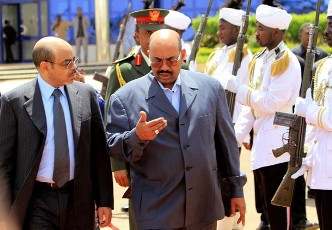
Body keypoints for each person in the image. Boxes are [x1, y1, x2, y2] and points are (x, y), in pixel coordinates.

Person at [106, 28, 246, 230]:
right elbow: (113, 147)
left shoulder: (210, 88)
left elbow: (226, 145)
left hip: (202, 205)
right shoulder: (125, 97)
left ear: (182, 56)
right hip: (156, 210)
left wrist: (236, 190)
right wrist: (136, 137)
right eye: (156, 61)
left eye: (171, 60)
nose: (164, 67)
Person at [0, 36, 113, 230]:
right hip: (36, 201)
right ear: (45, 66)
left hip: (79, 197)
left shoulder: (86, 94)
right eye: (67, 63)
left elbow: (99, 153)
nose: (74, 68)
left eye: (74, 60)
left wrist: (105, 201)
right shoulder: (14, 102)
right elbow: (3, 164)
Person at [226, 1, 302, 229]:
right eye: (257, 27)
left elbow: (271, 102)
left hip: (279, 146)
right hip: (262, 145)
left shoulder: (285, 61)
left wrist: (240, 89)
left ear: (276, 32)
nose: (256, 33)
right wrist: (234, 137)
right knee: (267, 213)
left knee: (280, 216)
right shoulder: (261, 60)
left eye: (261, 29)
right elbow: (251, 108)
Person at [104, 8, 170, 230]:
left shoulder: (180, 66)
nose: (153, 38)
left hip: (173, 156)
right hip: (139, 157)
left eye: (158, 32)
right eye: (148, 33)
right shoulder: (124, 69)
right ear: (137, 34)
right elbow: (111, 122)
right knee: (143, 217)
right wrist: (118, 165)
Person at [203, 1, 252, 230]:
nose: (218, 32)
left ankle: (231, 225)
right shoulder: (216, 55)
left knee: (229, 184)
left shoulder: (245, 58)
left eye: (223, 28)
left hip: (228, 132)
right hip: (211, 132)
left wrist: (235, 135)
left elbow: (245, 103)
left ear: (236, 30)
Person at [291, 2, 332, 229]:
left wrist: (309, 111)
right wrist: (304, 152)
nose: (326, 32)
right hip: (322, 165)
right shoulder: (324, 65)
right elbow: (316, 127)